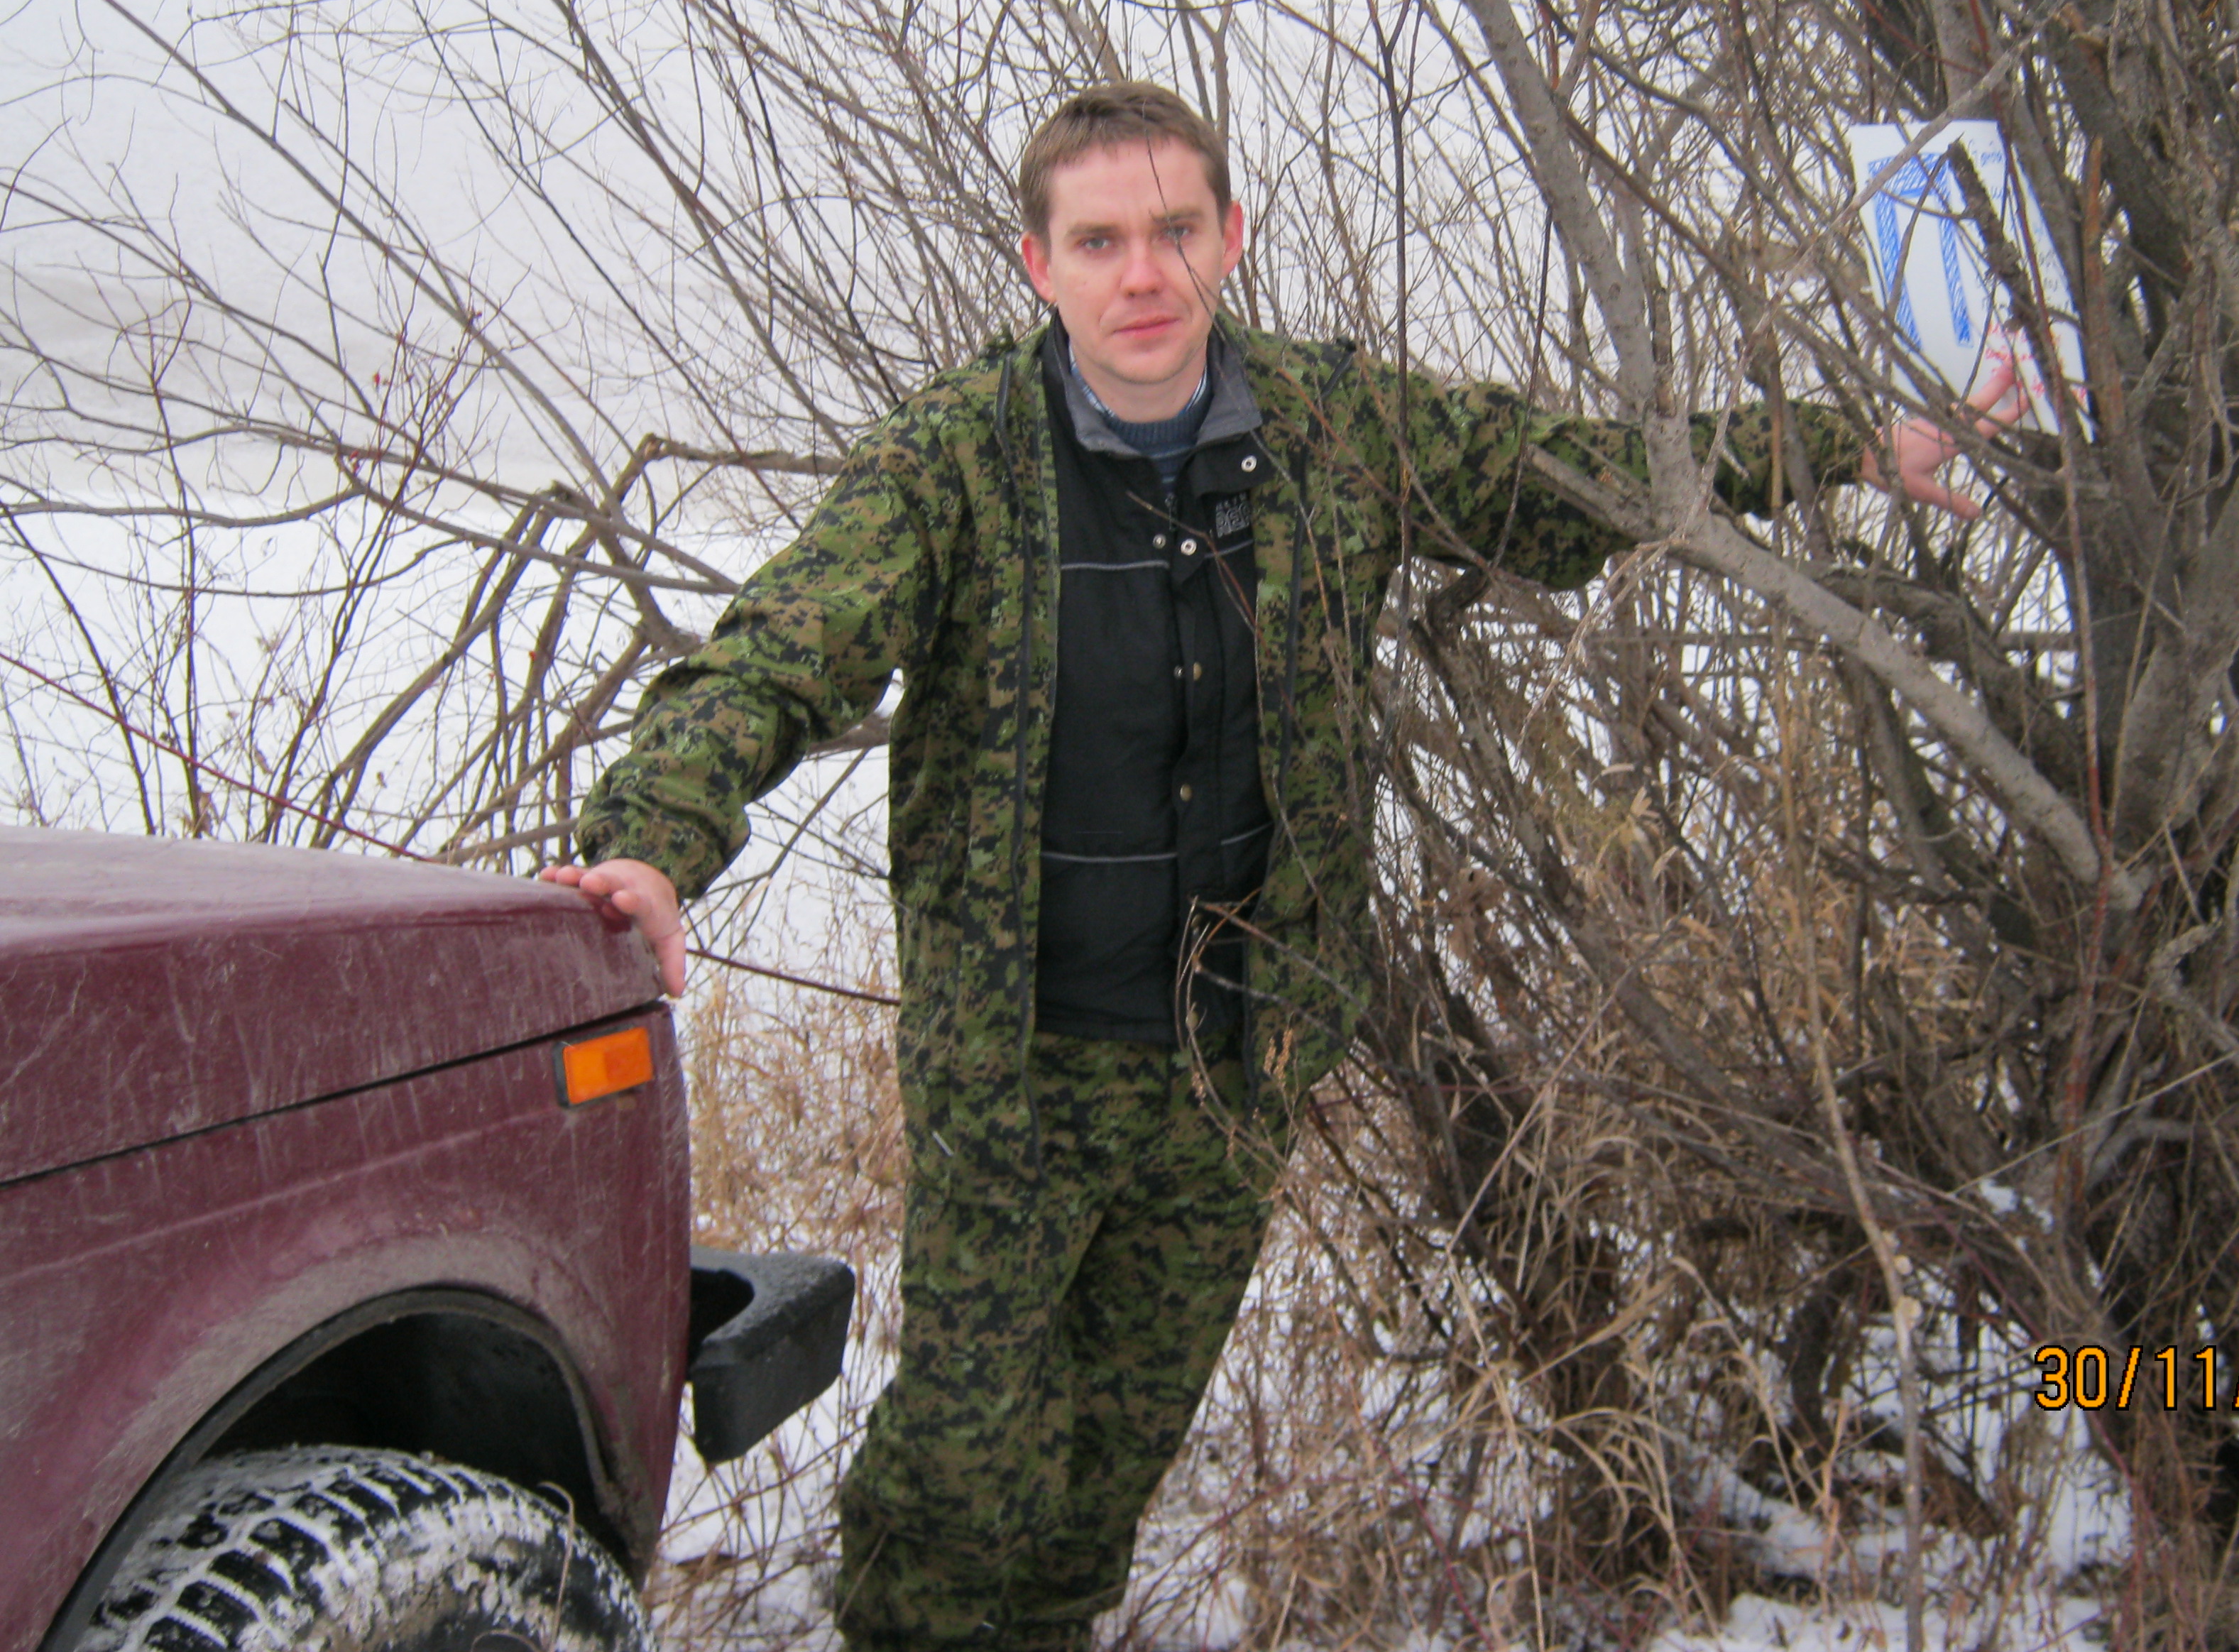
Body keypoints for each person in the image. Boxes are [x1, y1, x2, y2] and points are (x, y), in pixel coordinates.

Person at [546, 82, 2015, 1652]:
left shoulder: (1331, 428)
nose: (1144, 273)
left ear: (1231, 236)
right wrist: (654, 840)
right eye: (1099, 240)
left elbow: (1574, 476)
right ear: (1038, 263)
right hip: (1022, 1065)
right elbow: (780, 652)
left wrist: (1855, 444)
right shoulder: (957, 460)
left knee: (1120, 1445)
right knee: (965, 1461)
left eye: (1175, 229)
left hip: (1232, 1062)